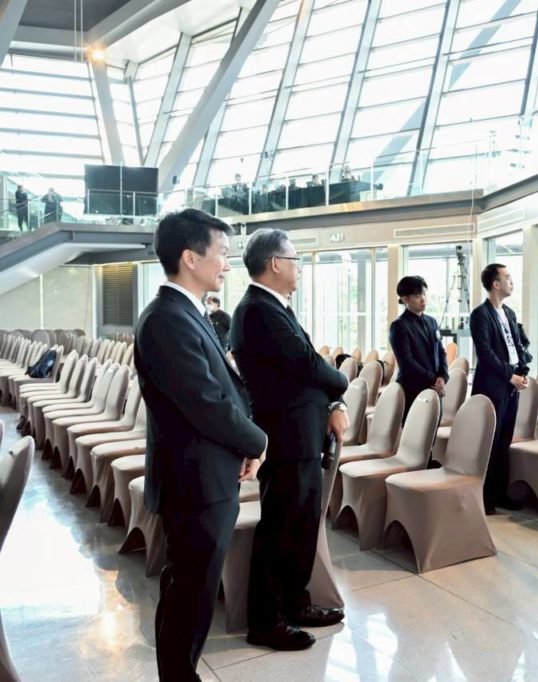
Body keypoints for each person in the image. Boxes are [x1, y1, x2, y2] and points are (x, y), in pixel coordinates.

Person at [133, 209, 268, 681]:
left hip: (207, 474)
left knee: (191, 591)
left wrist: (244, 442)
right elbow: (206, 402)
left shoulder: (186, 312)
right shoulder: (167, 319)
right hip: (194, 482)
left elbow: (221, 389)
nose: (228, 265)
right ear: (190, 258)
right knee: (188, 595)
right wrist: (258, 440)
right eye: (222, 254)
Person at [229, 228, 349, 651]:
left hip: (302, 435)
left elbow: (309, 364)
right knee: (280, 529)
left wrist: (333, 401)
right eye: (295, 259)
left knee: (301, 525)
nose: (299, 268)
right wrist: (343, 382)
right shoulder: (256, 310)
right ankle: (266, 620)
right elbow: (308, 363)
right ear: (275, 263)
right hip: (284, 438)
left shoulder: (276, 306)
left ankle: (296, 603)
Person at [470, 263, 529, 515]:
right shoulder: (480, 315)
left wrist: (522, 372)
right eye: (508, 277)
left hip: (511, 385)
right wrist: (510, 375)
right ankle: (483, 495)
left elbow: (517, 346)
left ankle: (500, 493)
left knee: (504, 440)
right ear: (495, 284)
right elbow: (486, 354)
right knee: (489, 443)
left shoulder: (509, 313)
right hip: (492, 386)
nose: (512, 281)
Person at [388, 275, 448, 423]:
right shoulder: (399, 325)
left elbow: (441, 351)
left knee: (433, 430)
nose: (423, 299)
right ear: (405, 299)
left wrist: (443, 377)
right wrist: (433, 379)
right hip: (412, 389)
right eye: (417, 296)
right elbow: (407, 362)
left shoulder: (432, 322)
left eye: (424, 294)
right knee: (415, 432)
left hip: (435, 388)